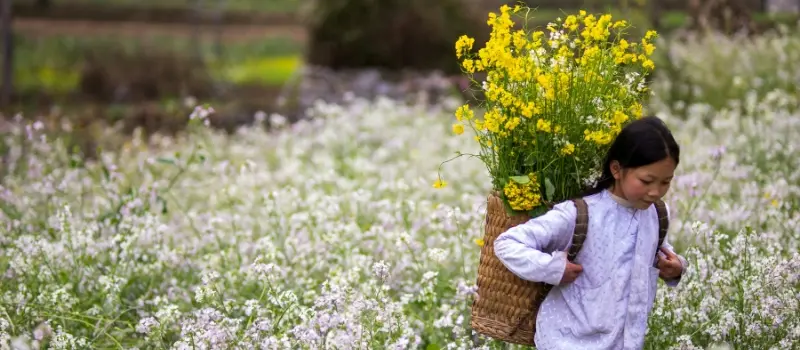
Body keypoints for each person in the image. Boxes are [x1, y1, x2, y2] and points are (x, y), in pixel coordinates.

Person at [494, 116, 689, 350]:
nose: (656, 192)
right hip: (565, 343)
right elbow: (507, 243)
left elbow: (659, 252)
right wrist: (553, 268)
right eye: (646, 181)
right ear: (616, 169)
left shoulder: (657, 214)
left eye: (665, 182)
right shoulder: (580, 214)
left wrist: (675, 268)